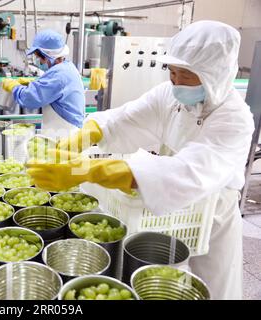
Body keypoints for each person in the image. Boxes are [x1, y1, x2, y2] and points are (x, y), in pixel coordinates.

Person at [26, 21, 255, 300]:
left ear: (214, 76)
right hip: (167, 214)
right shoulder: (169, 97)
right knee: (160, 286)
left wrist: (88, 170)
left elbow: (186, 173)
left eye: (185, 74)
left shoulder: (234, 118)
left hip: (210, 219)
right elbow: (125, 119)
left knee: (209, 289)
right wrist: (86, 135)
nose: (175, 81)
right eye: (172, 71)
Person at [2, 30, 85, 138]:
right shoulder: (66, 67)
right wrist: (34, 82)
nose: (39, 62)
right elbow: (51, 86)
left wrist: (14, 87)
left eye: (39, 57)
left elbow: (29, 98)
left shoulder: (58, 75)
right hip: (63, 131)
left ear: (48, 56)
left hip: (65, 134)